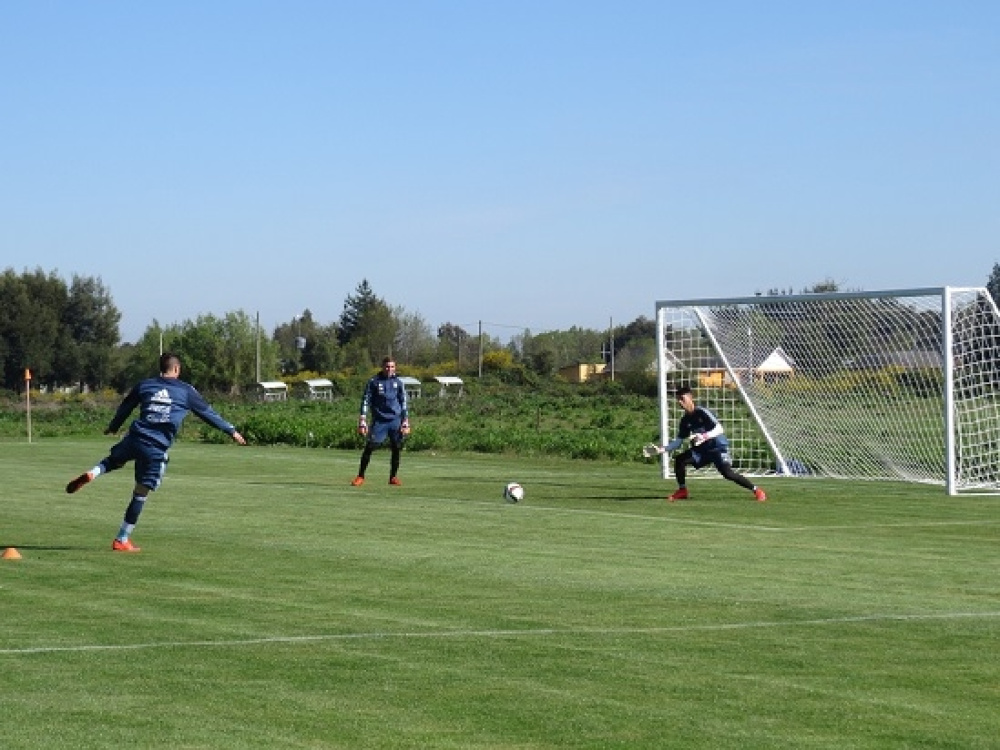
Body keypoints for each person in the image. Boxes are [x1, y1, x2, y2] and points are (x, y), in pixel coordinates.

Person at [65, 352, 246, 551]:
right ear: (176, 369)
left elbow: (126, 406)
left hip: (134, 438)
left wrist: (114, 426)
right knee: (141, 492)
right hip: (155, 448)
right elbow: (207, 413)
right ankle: (122, 539)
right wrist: (231, 431)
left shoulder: (145, 385)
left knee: (112, 461)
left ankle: (93, 473)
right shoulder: (186, 391)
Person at [662, 385, 766, 502]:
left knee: (728, 474)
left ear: (690, 398)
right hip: (703, 451)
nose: (680, 402)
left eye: (682, 399)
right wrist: (662, 449)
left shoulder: (702, 412)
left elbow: (719, 429)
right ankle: (682, 490)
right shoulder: (685, 420)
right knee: (680, 460)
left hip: (717, 448)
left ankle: (756, 490)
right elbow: (678, 442)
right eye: (678, 400)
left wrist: (704, 436)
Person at [351, 357, 410, 486]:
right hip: (380, 421)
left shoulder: (399, 382)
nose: (389, 369)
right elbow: (366, 400)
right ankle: (360, 476)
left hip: (395, 420)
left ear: (395, 368)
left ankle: (393, 477)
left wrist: (405, 420)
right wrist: (362, 419)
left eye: (392, 367)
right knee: (370, 446)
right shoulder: (374, 382)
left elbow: (403, 402)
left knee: (396, 448)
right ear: (382, 367)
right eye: (387, 366)